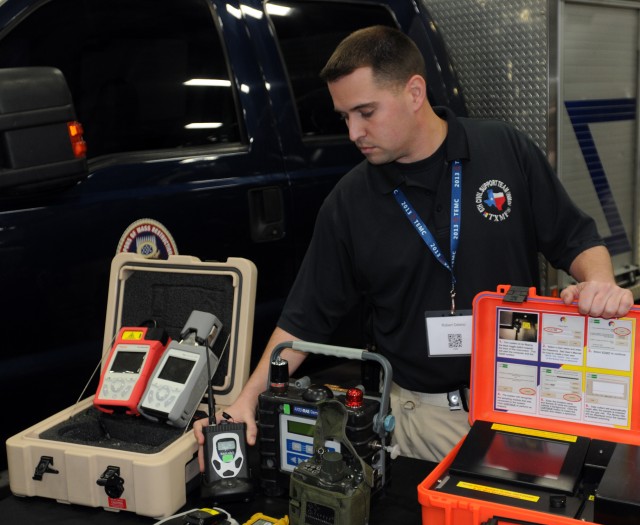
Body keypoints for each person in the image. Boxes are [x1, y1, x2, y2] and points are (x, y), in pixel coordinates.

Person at [195, 25, 634, 466]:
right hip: (421, 418)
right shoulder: (348, 203)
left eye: (366, 111)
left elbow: (576, 238)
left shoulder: (504, 150)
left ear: (414, 92)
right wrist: (247, 400)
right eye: (344, 116)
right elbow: (305, 319)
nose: (353, 132)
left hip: (524, 404)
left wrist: (599, 284)